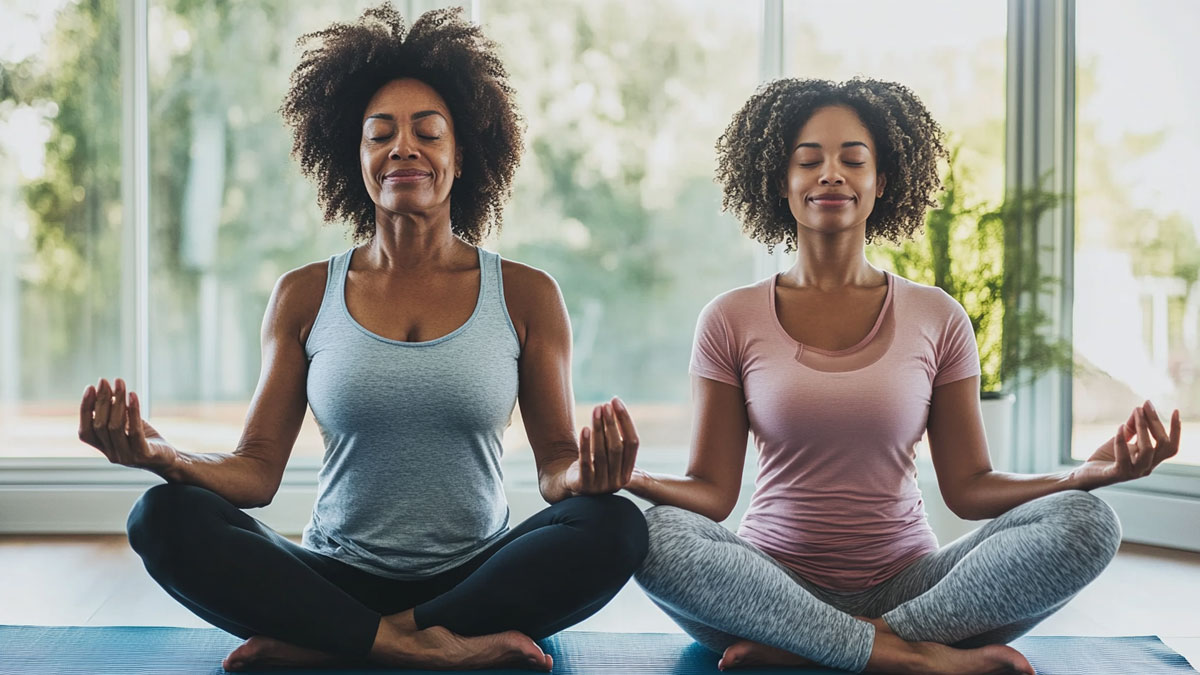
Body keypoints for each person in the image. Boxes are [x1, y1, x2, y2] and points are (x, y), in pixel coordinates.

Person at [76, 5, 646, 672]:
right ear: (356, 159)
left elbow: (555, 468)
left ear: (461, 157)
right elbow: (256, 470)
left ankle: (338, 643)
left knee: (616, 526)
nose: (402, 147)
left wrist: (588, 472)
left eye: (427, 133)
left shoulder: (526, 294)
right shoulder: (303, 294)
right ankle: (422, 648)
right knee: (161, 518)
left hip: (476, 578)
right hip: (333, 573)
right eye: (380, 136)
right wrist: (164, 454)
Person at [590, 78, 1181, 674]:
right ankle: (915, 661)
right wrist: (633, 478)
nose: (830, 174)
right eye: (808, 160)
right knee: (655, 533)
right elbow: (712, 495)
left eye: (853, 159)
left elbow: (971, 486)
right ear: (779, 182)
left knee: (1087, 520)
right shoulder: (729, 318)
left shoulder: (937, 316)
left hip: (914, 592)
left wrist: (1081, 476)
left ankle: (844, 647)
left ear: (883, 184)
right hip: (766, 591)